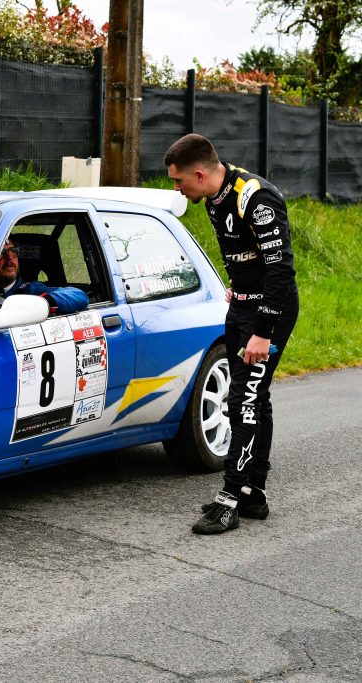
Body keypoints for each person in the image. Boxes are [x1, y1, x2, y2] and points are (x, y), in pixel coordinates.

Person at [164, 133, 298, 535]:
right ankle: (254, 492)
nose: (176, 188)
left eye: (178, 181)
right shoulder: (213, 197)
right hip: (242, 306)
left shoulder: (255, 198)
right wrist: (237, 286)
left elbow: (280, 270)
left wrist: (262, 331)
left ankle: (230, 498)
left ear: (200, 174)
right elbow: (244, 256)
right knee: (256, 398)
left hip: (267, 315)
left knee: (242, 400)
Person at [0, 239, 89, 314]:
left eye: (13, 251)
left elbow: (79, 295)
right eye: (1, 253)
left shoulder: (30, 290)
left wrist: (43, 302)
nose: (10, 258)